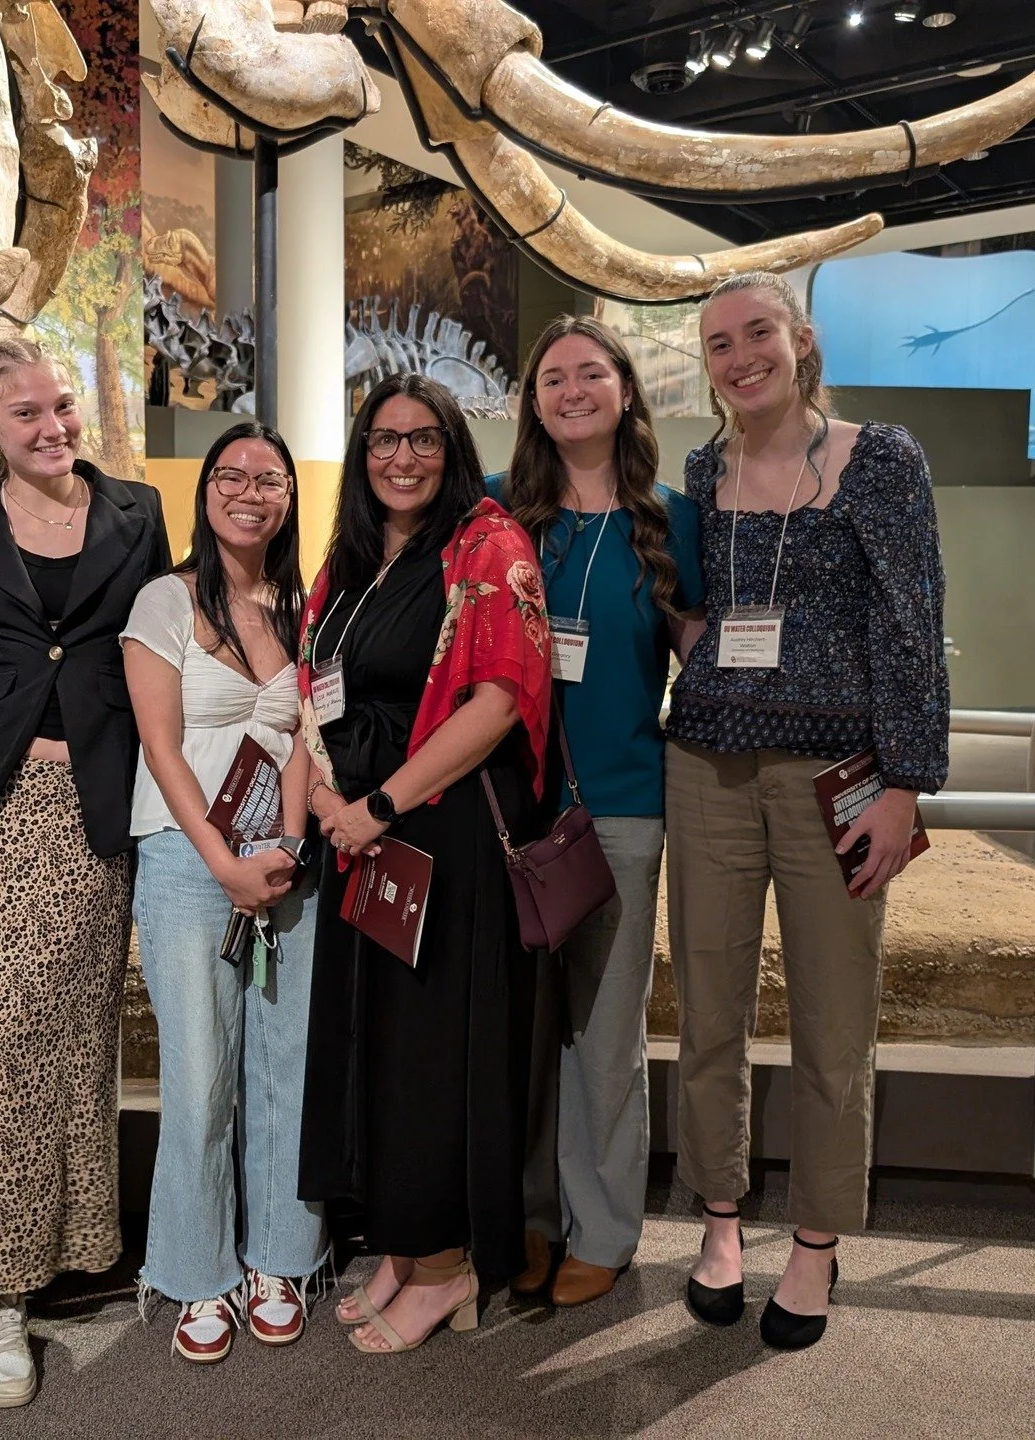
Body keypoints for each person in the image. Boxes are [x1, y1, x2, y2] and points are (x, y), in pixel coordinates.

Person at [666, 272, 948, 1351]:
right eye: (720, 344)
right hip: (709, 769)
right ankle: (723, 1221)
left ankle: (818, 1242)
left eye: (758, 335)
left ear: (801, 340)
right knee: (709, 1013)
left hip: (841, 778)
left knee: (835, 1022)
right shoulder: (704, 467)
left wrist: (907, 785)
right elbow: (697, 605)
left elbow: (915, 624)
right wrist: (696, 653)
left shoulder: (884, 460)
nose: (740, 358)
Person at [0, 337, 168, 1438]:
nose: (54, 425)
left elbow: (168, 643)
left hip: (97, 818)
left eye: (61, 405)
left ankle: (13, 1297)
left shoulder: (140, 510)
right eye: (26, 414)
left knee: (62, 1051)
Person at [298, 374, 551, 1355]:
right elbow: (313, 686)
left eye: (422, 440)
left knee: (436, 1062)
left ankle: (447, 1269)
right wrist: (326, 802)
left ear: (452, 448)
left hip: (437, 837)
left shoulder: (488, 545)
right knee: (384, 1054)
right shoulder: (354, 558)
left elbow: (498, 703)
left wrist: (379, 806)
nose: (401, 458)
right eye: (382, 441)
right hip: (360, 833)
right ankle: (404, 1246)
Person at [488, 316, 705, 1308]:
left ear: (625, 389)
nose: (571, 390)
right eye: (552, 378)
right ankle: (526, 1216)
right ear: (531, 402)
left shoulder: (672, 520)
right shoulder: (499, 514)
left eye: (591, 373)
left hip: (621, 809)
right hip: (509, 815)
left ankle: (604, 1226)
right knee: (519, 1030)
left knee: (603, 1031)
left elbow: (703, 669)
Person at [122, 422, 326, 1364]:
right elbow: (162, 751)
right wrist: (224, 862)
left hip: (283, 864)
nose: (252, 490)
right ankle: (197, 1272)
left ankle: (279, 1258)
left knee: (284, 1069)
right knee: (201, 1082)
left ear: (289, 496)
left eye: (271, 478)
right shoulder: (164, 601)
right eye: (233, 474)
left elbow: (296, 737)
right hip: (186, 862)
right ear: (206, 490)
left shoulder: (300, 605)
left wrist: (283, 849)